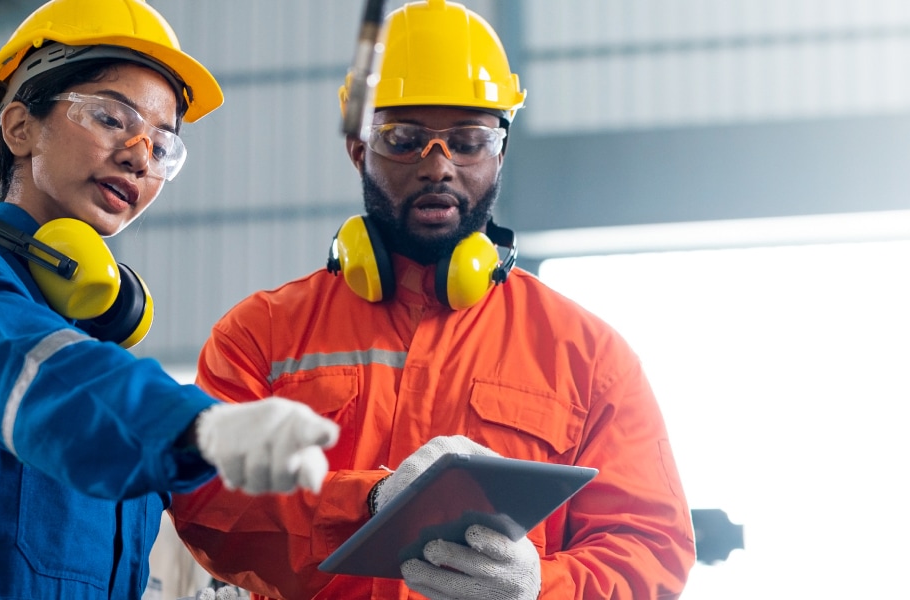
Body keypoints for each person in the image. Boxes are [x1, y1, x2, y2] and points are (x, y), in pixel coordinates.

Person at [166, 2, 694, 599]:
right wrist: (363, 503)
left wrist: (537, 589)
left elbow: (650, 549)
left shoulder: (590, 357)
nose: (438, 166)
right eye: (403, 139)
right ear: (358, 149)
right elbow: (203, 500)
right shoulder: (262, 336)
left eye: (468, 141)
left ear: (500, 153)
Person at [0, 1, 341, 598]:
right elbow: (46, 383)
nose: (140, 155)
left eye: (163, 143)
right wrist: (199, 424)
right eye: (110, 117)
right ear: (20, 127)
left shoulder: (99, 343)